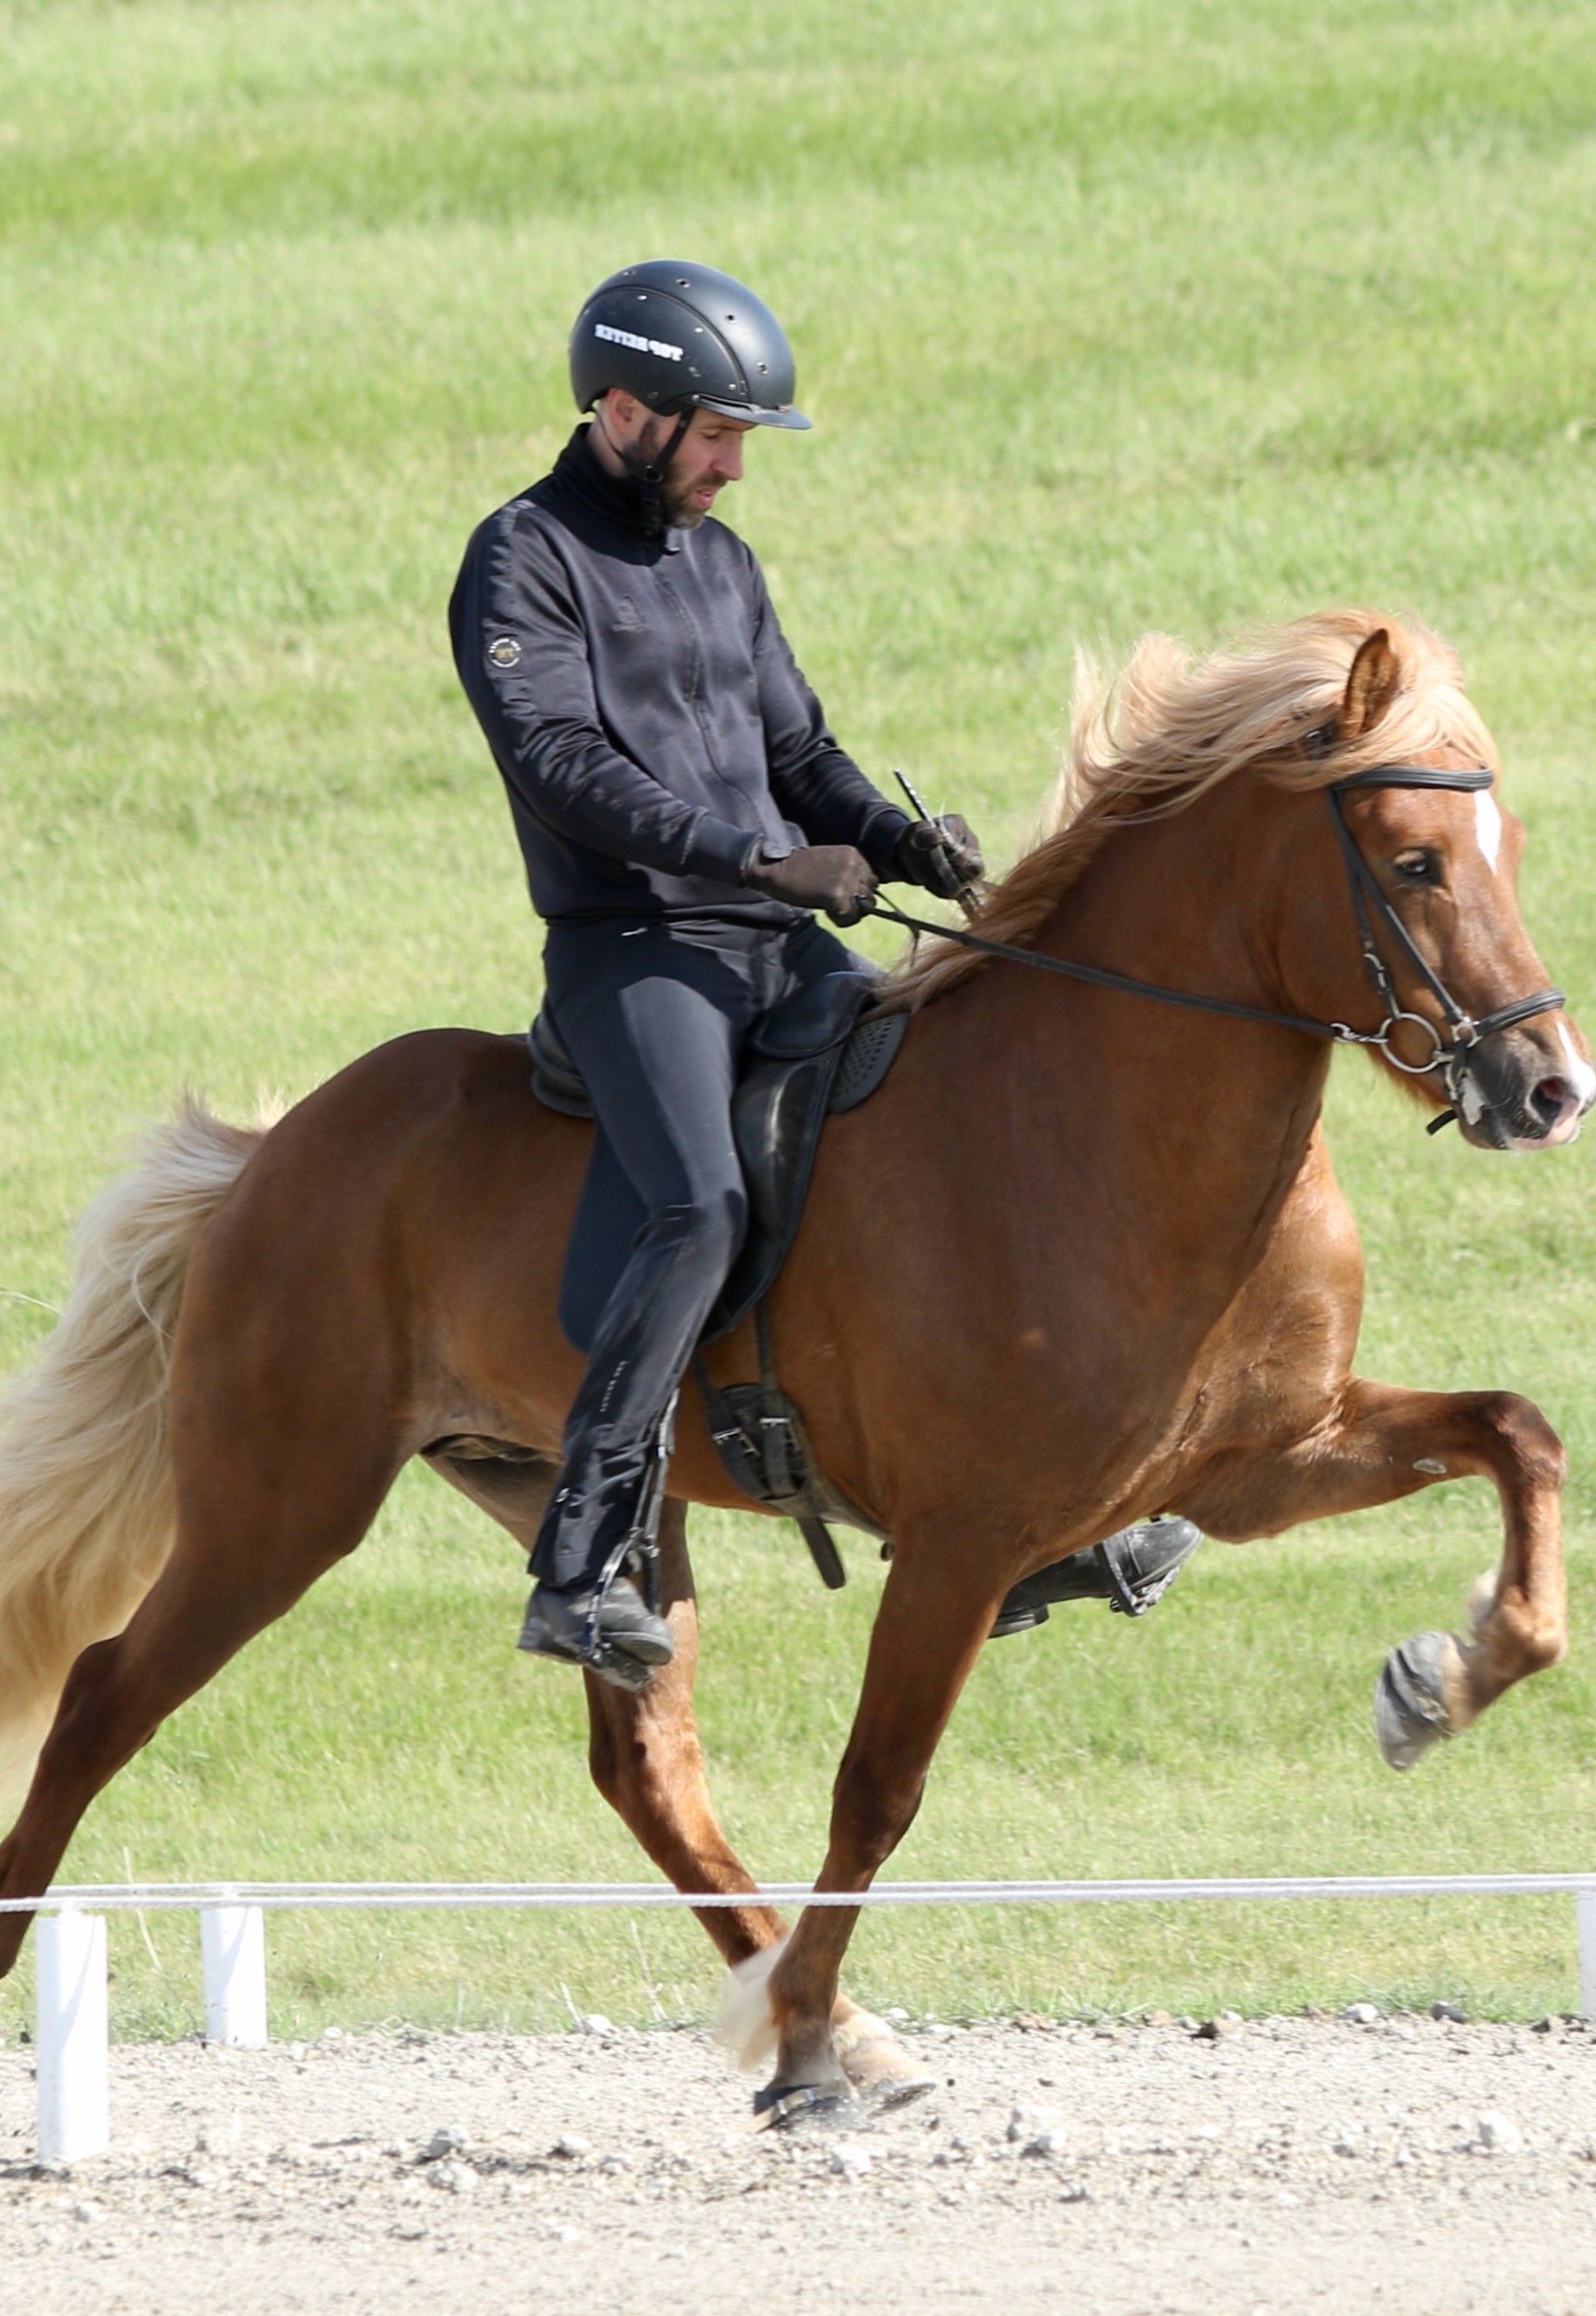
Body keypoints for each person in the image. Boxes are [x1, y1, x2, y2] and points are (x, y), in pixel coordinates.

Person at [449, 260, 1196, 1686]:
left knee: (932, 1120)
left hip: (767, 936)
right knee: (699, 1202)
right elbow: (562, 768)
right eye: (717, 434)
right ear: (623, 409)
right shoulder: (522, 559)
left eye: (740, 439)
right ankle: (585, 1553)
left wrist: (890, 837)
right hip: (636, 953)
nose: (734, 465)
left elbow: (799, 751)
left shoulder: (722, 564)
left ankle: (1007, 1512)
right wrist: (754, 860)